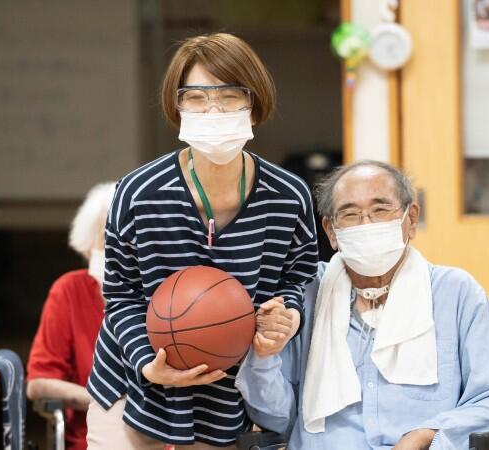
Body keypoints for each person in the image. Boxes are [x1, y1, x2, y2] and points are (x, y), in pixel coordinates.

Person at [85, 33, 318, 449]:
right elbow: (121, 296)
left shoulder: (288, 194)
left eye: (230, 95)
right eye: (196, 97)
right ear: (178, 107)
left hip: (228, 387)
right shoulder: (138, 193)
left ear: (255, 103)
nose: (213, 109)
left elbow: (297, 279)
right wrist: (148, 364)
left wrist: (286, 318)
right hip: (134, 380)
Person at [237, 161, 489, 450]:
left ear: (410, 219)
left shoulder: (455, 293)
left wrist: (431, 434)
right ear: (331, 231)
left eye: (380, 210)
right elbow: (276, 418)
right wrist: (264, 356)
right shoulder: (307, 293)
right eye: (350, 214)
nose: (367, 224)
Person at [26, 182, 116, 450]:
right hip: (92, 438)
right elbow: (38, 384)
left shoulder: (167, 295)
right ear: (89, 246)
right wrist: (102, 400)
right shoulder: (69, 291)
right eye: (107, 237)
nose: (118, 249)